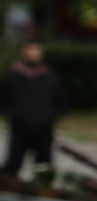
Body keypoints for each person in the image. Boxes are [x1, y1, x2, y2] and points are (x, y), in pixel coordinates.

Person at [1, 42, 69, 177]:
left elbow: (62, 103)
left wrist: (49, 118)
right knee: (12, 165)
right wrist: (14, 116)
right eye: (29, 51)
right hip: (19, 129)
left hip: (44, 130)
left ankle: (42, 194)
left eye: (36, 51)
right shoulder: (11, 77)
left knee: (43, 168)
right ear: (22, 53)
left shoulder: (50, 78)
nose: (32, 54)